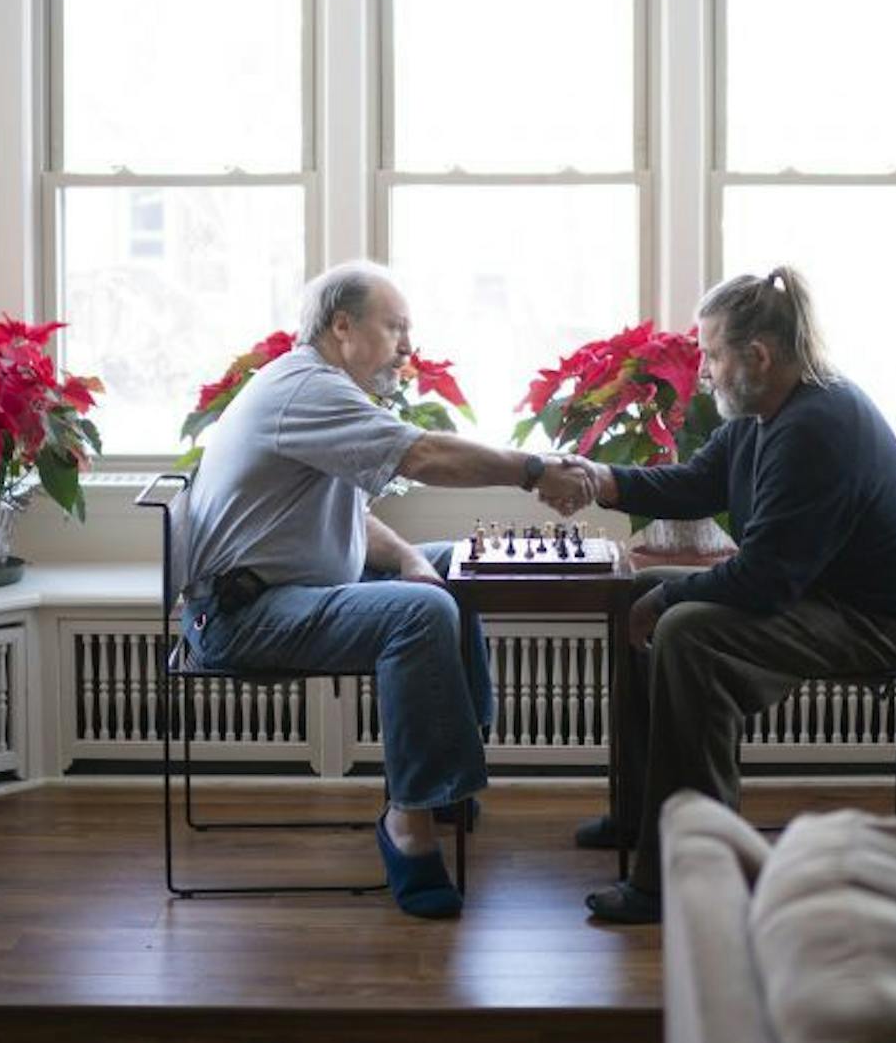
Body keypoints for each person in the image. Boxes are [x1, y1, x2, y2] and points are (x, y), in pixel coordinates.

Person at [181, 260, 597, 919]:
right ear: (342, 326)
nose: (408, 346)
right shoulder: (306, 390)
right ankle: (409, 821)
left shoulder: (315, 386)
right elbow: (423, 456)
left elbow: (347, 517)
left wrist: (408, 558)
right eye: (395, 326)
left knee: (450, 570)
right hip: (243, 617)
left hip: (290, 589)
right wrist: (533, 469)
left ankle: (446, 781)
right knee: (420, 610)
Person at [565, 266, 896, 924]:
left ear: (757, 355)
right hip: (815, 597)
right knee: (639, 593)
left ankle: (681, 875)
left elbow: (766, 578)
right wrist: (600, 481)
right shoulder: (767, 414)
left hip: (872, 623)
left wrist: (668, 604)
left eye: (711, 354)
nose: (703, 372)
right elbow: (694, 486)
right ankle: (640, 815)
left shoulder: (818, 426)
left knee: (684, 630)